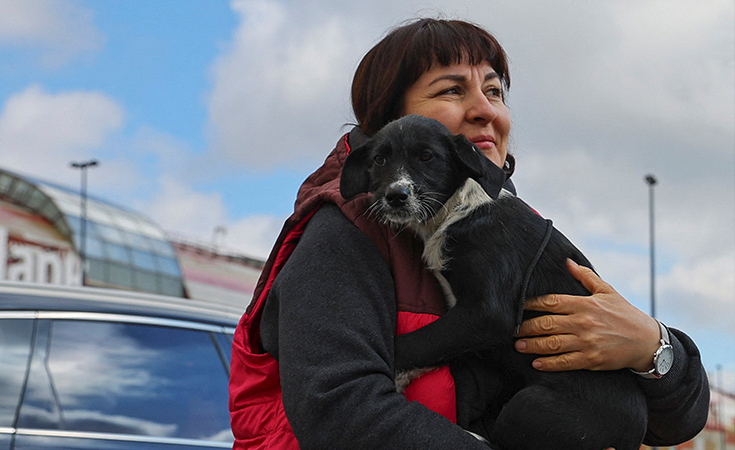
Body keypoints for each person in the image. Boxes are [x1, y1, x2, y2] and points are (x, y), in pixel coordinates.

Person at [228, 18, 709, 449]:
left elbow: (674, 422)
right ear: (390, 120)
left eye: (495, 91)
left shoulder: (514, 229)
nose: (484, 110)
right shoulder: (344, 233)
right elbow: (338, 408)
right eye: (452, 90)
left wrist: (653, 347)